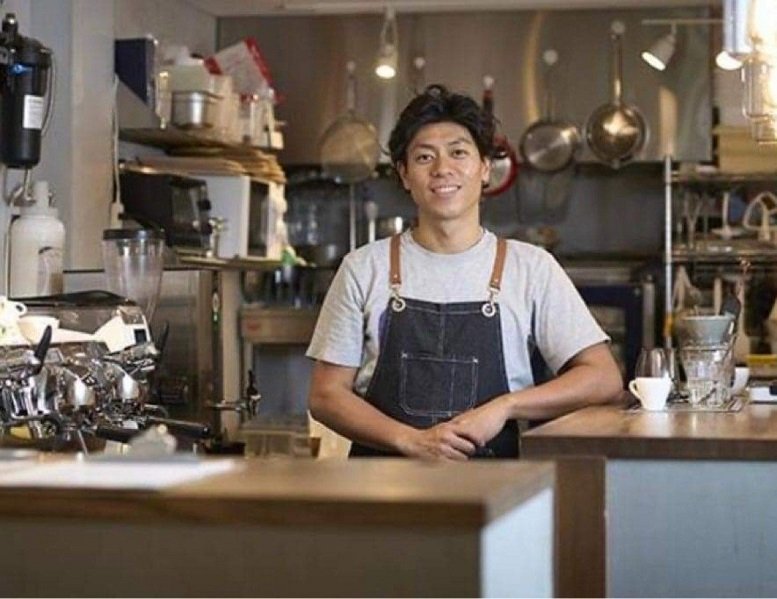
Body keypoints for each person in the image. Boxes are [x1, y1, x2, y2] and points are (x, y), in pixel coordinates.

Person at [306, 84, 623, 460]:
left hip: (494, 488)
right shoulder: (363, 268)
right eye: (424, 158)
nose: (443, 169)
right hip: (384, 487)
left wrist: (506, 406)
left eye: (458, 153)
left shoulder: (531, 268)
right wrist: (410, 441)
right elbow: (326, 395)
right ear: (404, 175)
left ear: (485, 168)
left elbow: (602, 377)